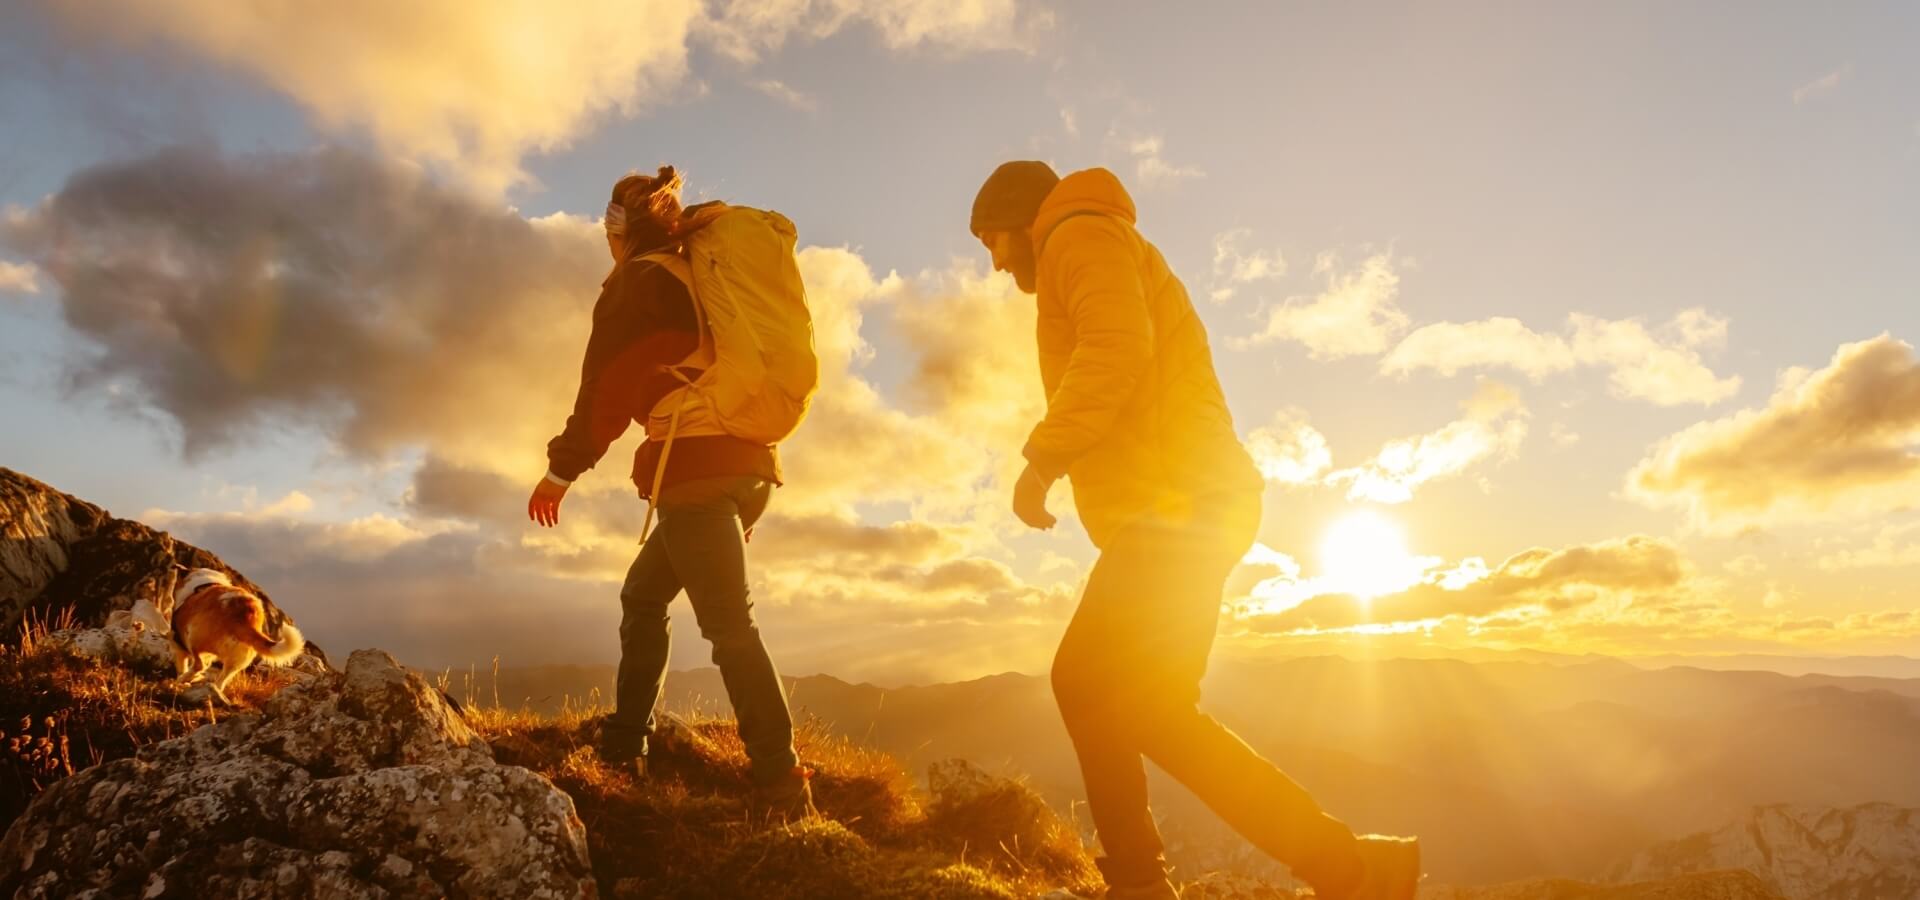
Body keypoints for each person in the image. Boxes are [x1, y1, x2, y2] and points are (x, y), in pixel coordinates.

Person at [969, 161, 1420, 899]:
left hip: (1178, 508)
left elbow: (1115, 350)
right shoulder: (1092, 238)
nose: (993, 263)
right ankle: (1355, 869)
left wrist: (1042, 460)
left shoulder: (1075, 235)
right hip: (1191, 507)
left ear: (1021, 218)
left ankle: (1144, 882)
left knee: (1085, 682)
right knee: (1148, 706)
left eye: (990, 240)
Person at [528, 166, 813, 819]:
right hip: (746, 465)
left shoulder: (638, 281)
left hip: (696, 471)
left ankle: (781, 780)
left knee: (729, 626)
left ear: (619, 227)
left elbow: (605, 387)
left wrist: (562, 469)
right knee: (644, 594)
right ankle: (626, 744)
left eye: (608, 220)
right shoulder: (698, 273)